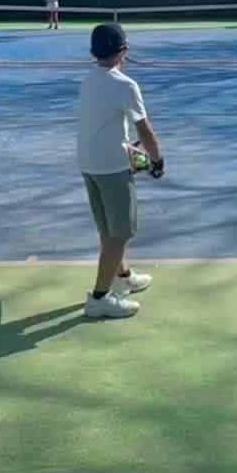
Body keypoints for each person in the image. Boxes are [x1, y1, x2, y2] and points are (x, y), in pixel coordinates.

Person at [76, 21, 163, 319]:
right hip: (112, 169)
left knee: (108, 228)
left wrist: (131, 151)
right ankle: (99, 298)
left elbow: (105, 127)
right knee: (119, 234)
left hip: (89, 165)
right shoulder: (126, 85)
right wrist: (157, 160)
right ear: (124, 51)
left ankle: (122, 277)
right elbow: (146, 130)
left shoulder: (88, 80)